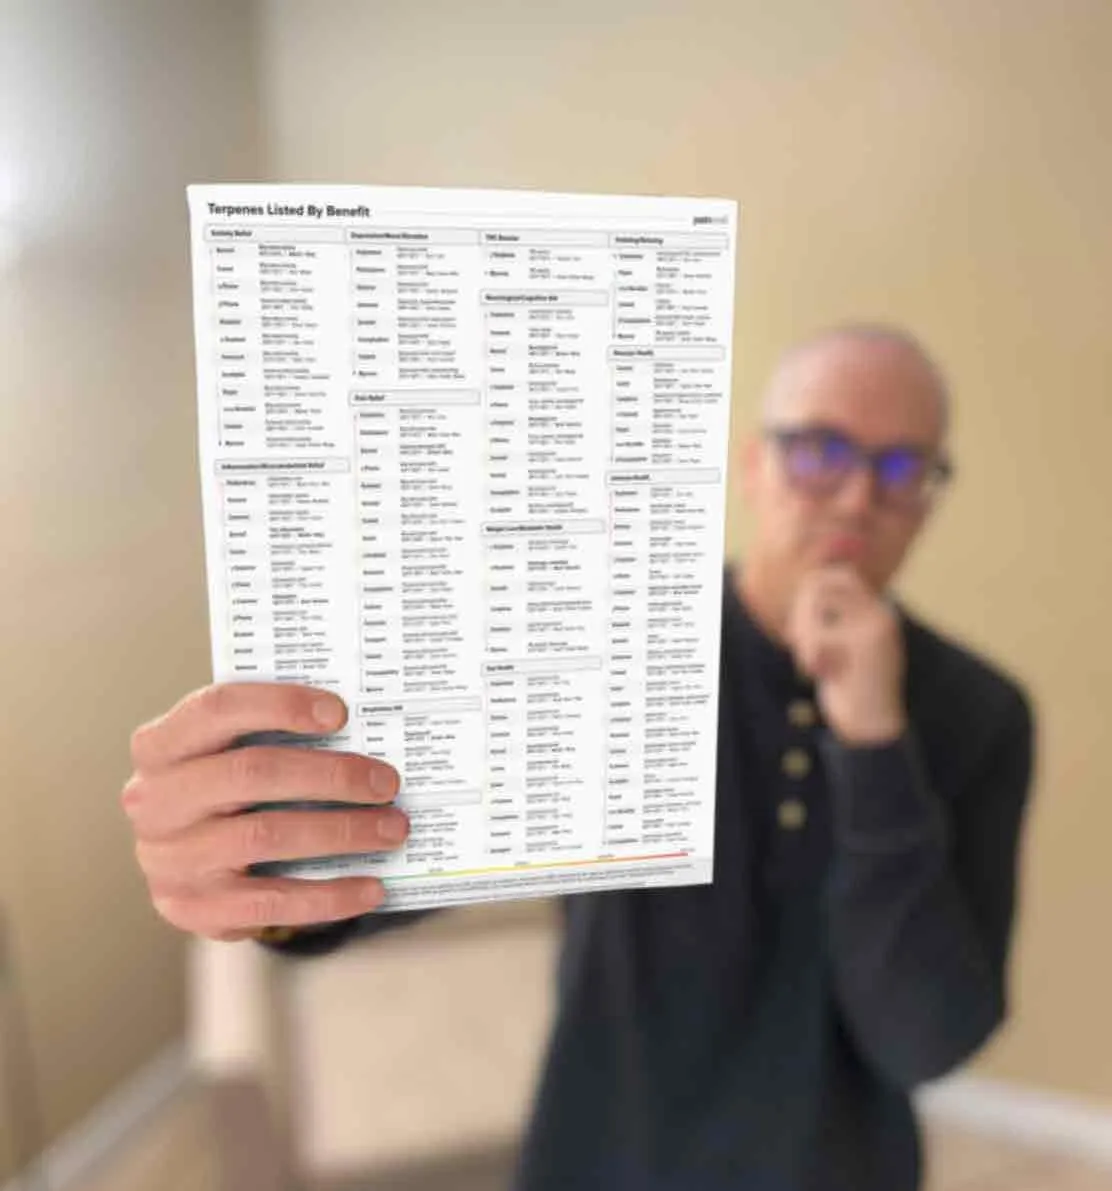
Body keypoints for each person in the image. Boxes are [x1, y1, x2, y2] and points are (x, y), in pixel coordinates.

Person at [122, 324, 1036, 1190]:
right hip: (602, 1154)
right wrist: (260, 856)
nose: (857, 496)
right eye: (821, 451)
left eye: (903, 467)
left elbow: (925, 1038)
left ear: (927, 501)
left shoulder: (983, 712)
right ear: (754, 466)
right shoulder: (614, 639)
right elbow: (403, 844)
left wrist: (875, 743)